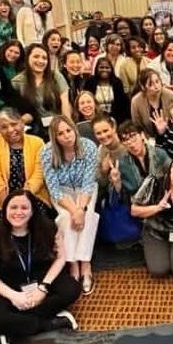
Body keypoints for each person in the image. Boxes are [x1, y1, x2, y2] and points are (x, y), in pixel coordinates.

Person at [0, 189, 81, 344]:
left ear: (32, 211)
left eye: (24, 208)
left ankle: (13, 326)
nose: (18, 212)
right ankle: (47, 323)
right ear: (5, 210)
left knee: (72, 289)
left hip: (42, 279)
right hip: (10, 285)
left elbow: (61, 258)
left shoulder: (47, 227)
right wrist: (14, 296)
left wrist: (43, 288)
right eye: (13, 207)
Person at [42, 116, 99, 295]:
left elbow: (88, 183)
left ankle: (86, 265)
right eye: (60, 133)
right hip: (63, 193)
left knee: (88, 215)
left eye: (68, 130)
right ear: (55, 137)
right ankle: (73, 264)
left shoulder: (88, 146)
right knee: (66, 218)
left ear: (74, 129)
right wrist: (74, 211)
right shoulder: (47, 152)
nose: (67, 136)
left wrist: (81, 209)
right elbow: (54, 189)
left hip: (85, 190)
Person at [131, 153, 173, 277]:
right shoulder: (154, 181)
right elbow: (134, 210)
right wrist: (157, 208)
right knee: (159, 270)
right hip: (157, 231)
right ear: (172, 167)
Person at [0, 108, 52, 223]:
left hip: (33, 196)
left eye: (14, 124)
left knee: (39, 224)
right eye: (4, 127)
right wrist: (9, 207)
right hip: (2, 201)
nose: (10, 130)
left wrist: (22, 202)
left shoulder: (37, 143)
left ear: (22, 123)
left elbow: (38, 176)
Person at [12, 43, 72, 126]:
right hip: (32, 128)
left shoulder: (56, 76)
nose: (40, 61)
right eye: (36, 56)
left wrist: (68, 125)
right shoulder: (17, 82)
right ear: (27, 58)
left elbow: (65, 103)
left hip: (56, 125)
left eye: (44, 58)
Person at [114, 121, 172, 197]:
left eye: (133, 137)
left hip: (163, 196)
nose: (131, 144)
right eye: (125, 140)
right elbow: (122, 194)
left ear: (142, 135)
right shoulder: (123, 163)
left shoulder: (159, 154)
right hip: (138, 201)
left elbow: (172, 175)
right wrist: (117, 182)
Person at [130, 68, 173, 137]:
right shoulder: (136, 102)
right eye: (150, 84)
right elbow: (138, 127)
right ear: (143, 87)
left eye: (157, 82)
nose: (156, 86)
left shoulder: (170, 95)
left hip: (172, 136)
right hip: (149, 139)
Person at [87, 56, 130, 123]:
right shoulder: (90, 82)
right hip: (94, 118)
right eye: (101, 67)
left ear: (111, 69)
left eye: (107, 68)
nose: (104, 70)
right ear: (96, 68)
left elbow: (122, 104)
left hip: (116, 119)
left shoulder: (117, 82)